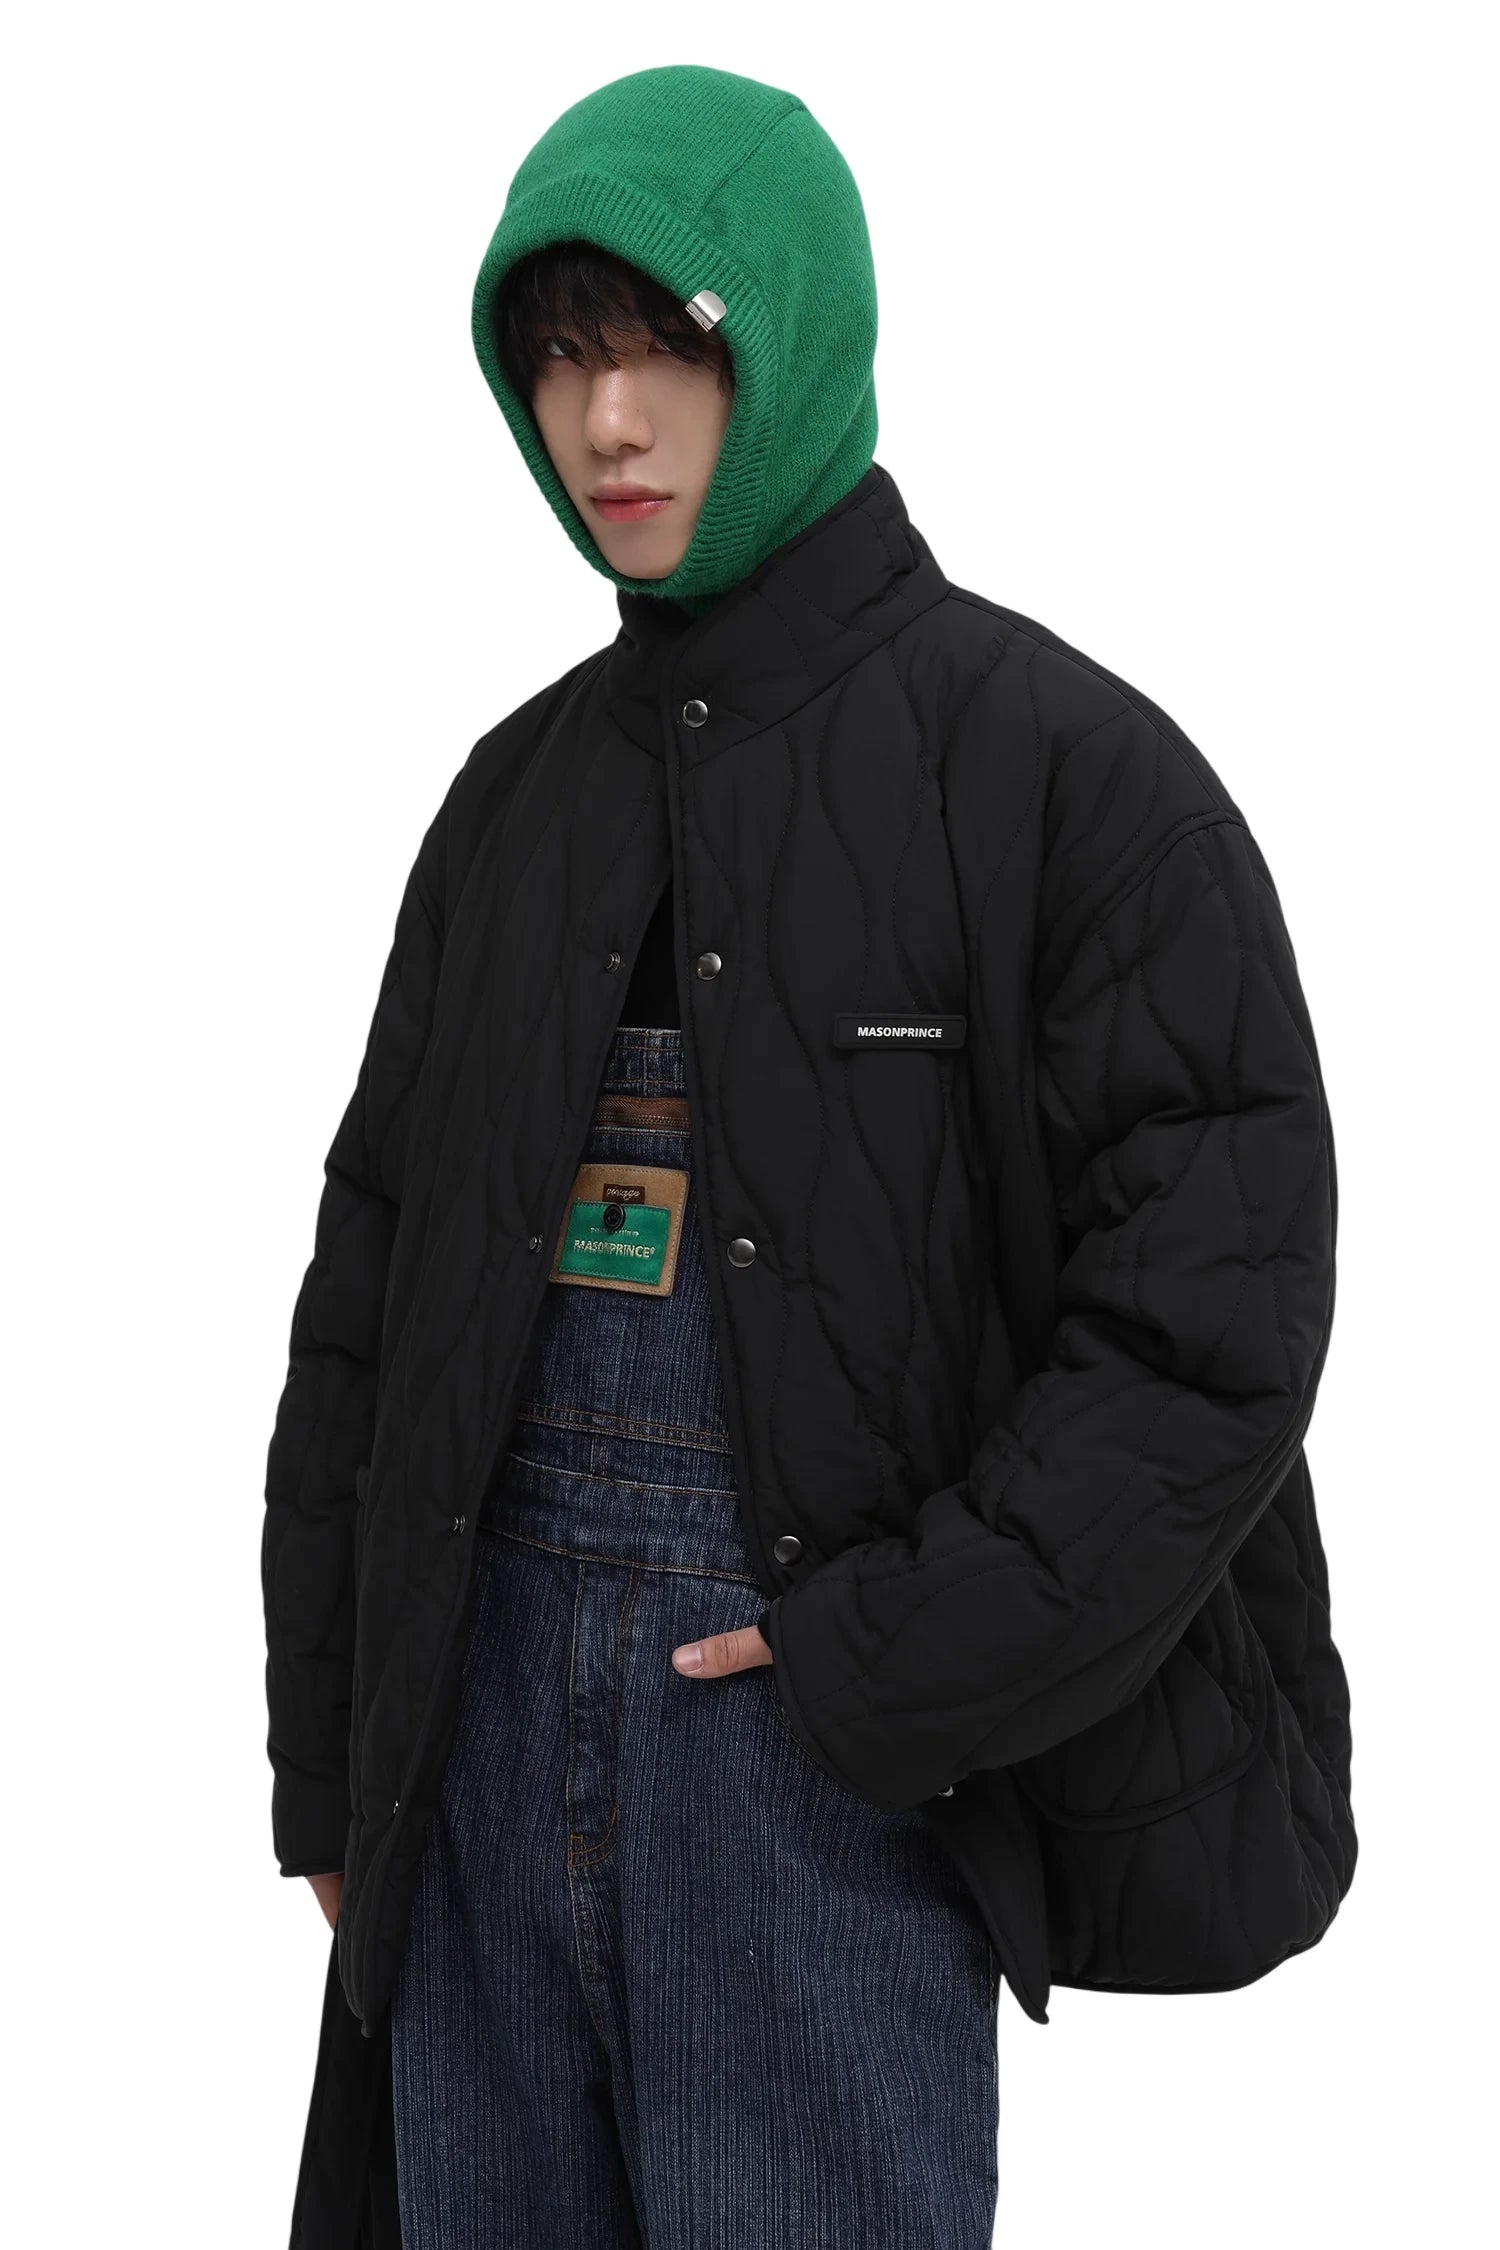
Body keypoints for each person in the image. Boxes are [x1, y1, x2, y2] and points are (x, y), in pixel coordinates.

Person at [262, 61, 1355, 2250]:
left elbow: (1210, 1332)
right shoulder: (507, 804)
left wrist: (884, 1663)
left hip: (822, 1792)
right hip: (468, 1768)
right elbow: (370, 1295)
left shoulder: (1075, 783)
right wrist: (331, 1755)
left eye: (663, 345)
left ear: (794, 332)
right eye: (555, 361)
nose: (606, 424)